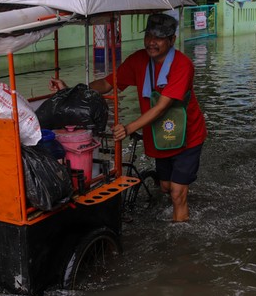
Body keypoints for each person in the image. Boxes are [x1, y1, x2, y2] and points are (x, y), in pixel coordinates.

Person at [50, 13, 207, 222]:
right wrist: (71, 90)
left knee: (178, 193)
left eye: (159, 38)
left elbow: (161, 108)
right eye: (149, 35)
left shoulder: (183, 65)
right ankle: (177, 196)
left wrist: (128, 128)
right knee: (166, 187)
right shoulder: (138, 60)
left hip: (188, 135)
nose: (152, 42)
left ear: (172, 40)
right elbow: (107, 84)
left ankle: (180, 242)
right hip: (159, 137)